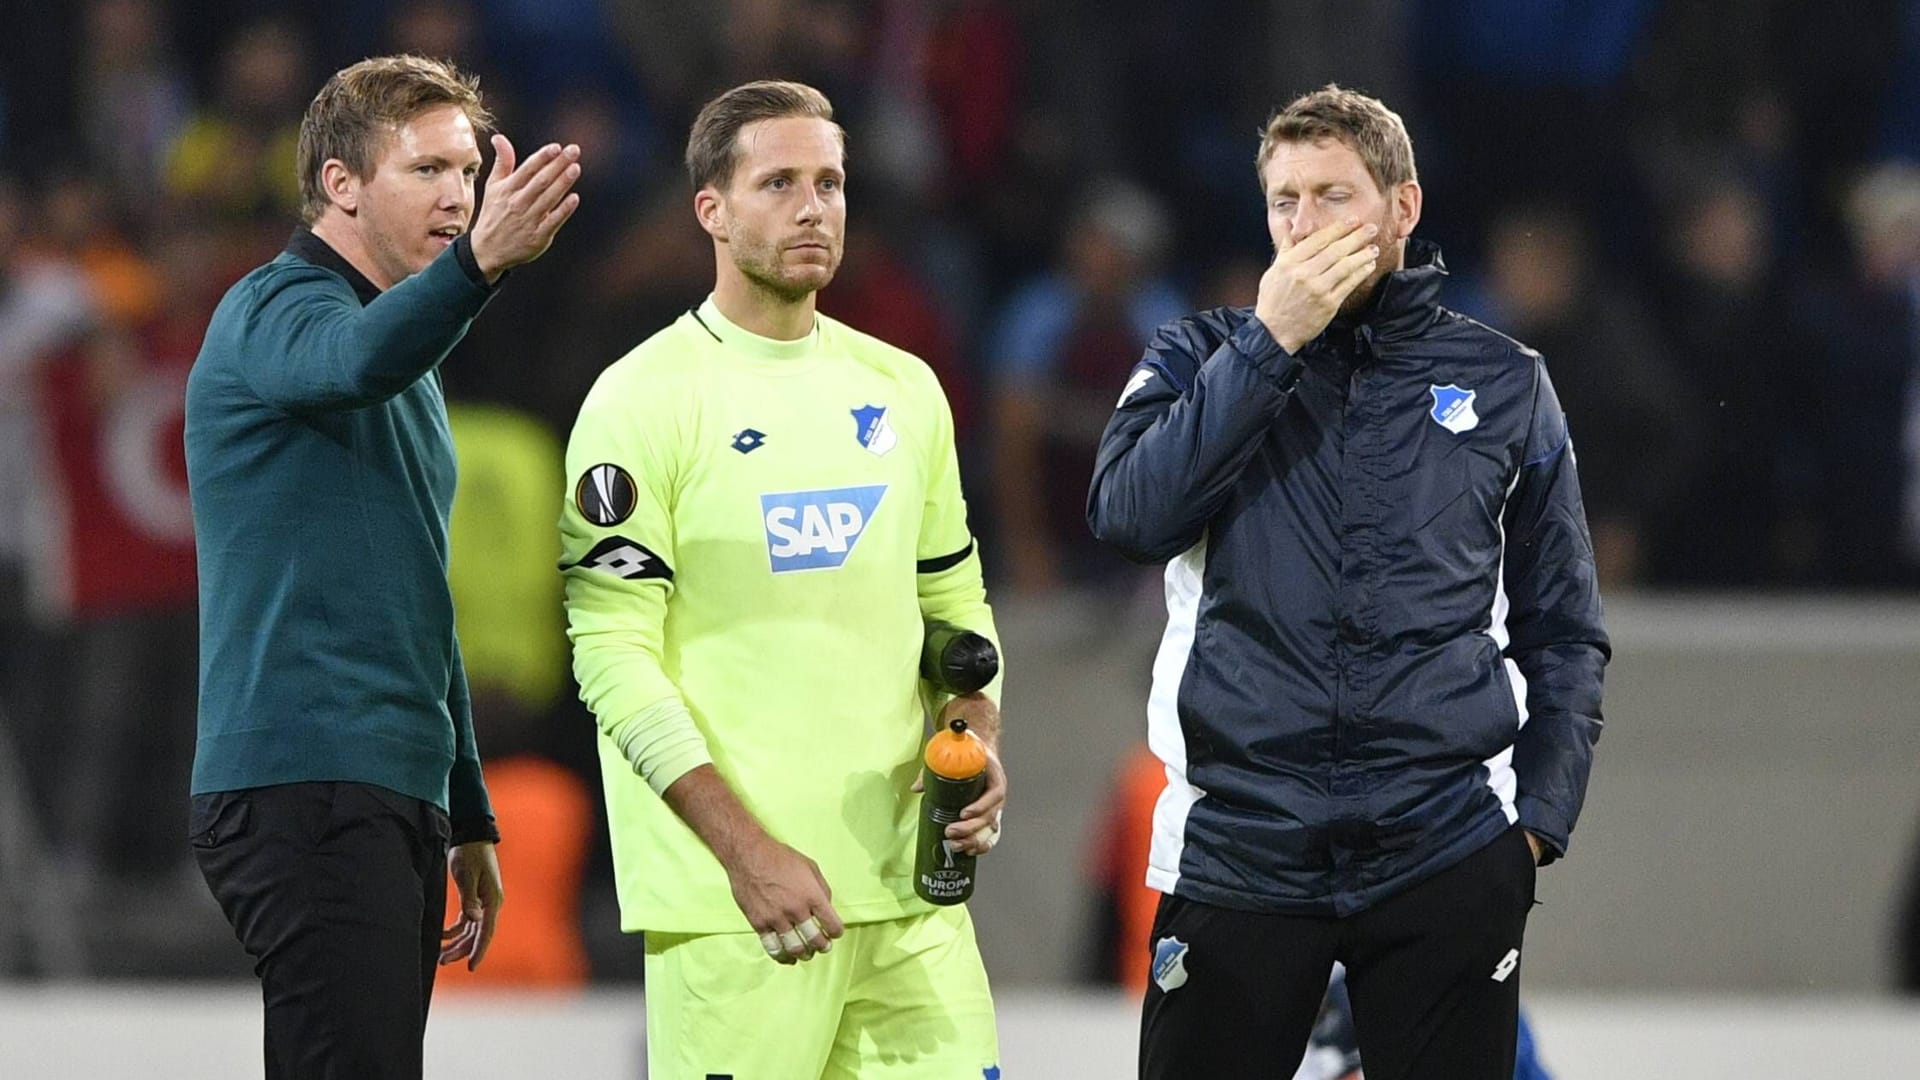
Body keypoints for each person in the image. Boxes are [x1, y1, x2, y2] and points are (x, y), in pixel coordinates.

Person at [1086, 85, 1609, 1079]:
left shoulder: (1504, 381)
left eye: (1333, 195)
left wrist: (1536, 825)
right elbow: (1129, 520)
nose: (1305, 224)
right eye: (1285, 200)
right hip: (1242, 846)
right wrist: (1267, 345)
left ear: (1402, 209)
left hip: (1445, 849)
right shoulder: (1199, 356)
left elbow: (1564, 626)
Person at [560, 80, 1005, 1080]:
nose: (814, 208)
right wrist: (742, 851)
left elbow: (956, 609)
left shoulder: (903, 389)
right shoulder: (641, 402)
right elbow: (610, 653)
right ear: (710, 210)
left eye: (831, 183)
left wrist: (976, 736)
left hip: (911, 898)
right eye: (779, 183)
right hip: (739, 909)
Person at [183, 54, 581, 1079]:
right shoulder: (271, 310)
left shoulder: (412, 371)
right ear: (340, 185)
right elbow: (350, 361)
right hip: (303, 778)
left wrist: (466, 807)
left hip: (381, 783)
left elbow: (417, 589)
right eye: (427, 170)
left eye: (466, 170)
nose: (459, 194)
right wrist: (480, 267)